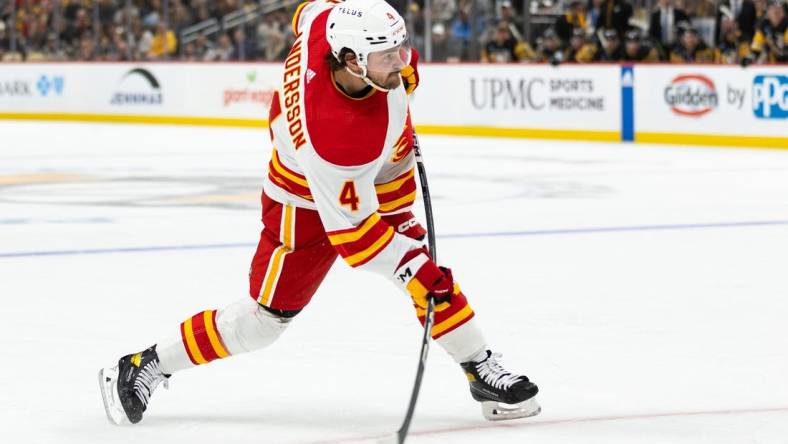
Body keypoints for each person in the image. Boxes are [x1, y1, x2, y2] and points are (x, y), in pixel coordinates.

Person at [99, 0, 541, 426]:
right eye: (388, 56)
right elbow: (356, 239)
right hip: (304, 201)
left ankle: (479, 366)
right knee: (263, 323)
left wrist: (396, 80)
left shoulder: (326, 24)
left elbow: (306, 12)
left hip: (381, 168)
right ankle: (146, 364)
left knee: (424, 271)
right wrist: (410, 267)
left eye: (400, 48)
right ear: (350, 60)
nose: (403, 62)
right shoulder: (337, 138)